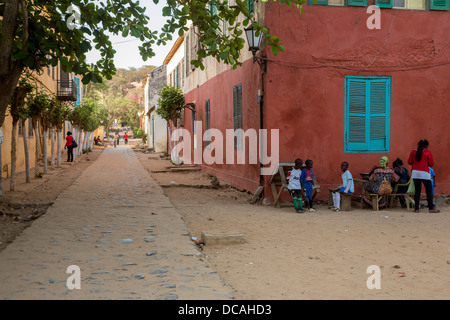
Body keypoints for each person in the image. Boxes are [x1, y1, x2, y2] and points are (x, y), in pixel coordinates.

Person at [407, 139, 439, 213]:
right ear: (426, 146)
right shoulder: (427, 152)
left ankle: (416, 209)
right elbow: (431, 164)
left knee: (417, 191)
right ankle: (431, 208)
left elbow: (409, 162)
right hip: (425, 173)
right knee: (429, 190)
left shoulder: (413, 152)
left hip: (415, 173)